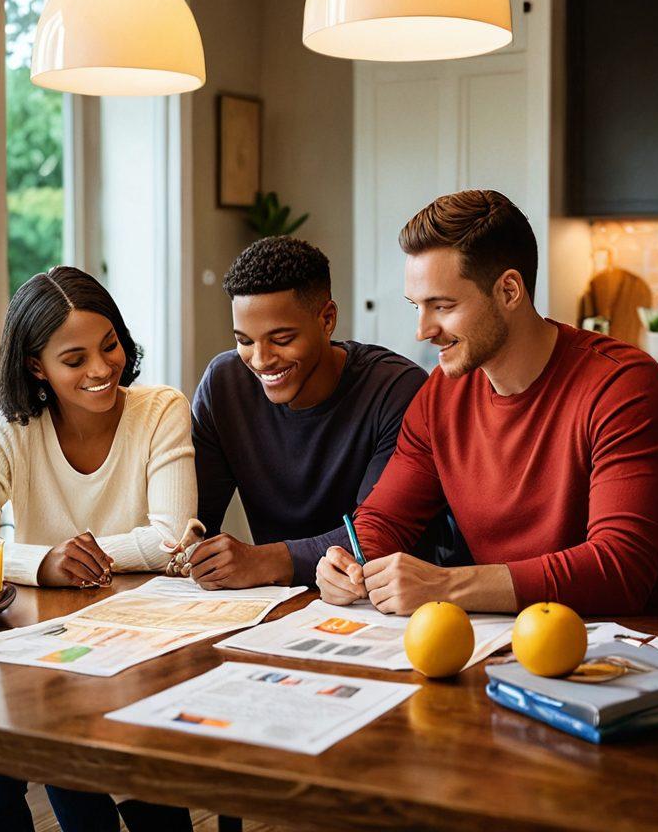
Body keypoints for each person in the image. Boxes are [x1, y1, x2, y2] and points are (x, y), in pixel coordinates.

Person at [316, 190, 658, 619]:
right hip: (504, 642)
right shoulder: (440, 393)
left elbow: (618, 572)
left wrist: (448, 584)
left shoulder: (622, 386)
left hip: (636, 652)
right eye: (417, 307)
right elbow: (383, 520)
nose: (423, 330)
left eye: (443, 306)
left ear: (509, 290)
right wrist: (348, 564)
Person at [0, 266, 196, 832]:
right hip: (44, 646)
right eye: (75, 359)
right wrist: (42, 562)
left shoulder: (160, 409)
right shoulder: (8, 426)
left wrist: (80, 555)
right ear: (36, 366)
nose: (103, 369)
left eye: (109, 346)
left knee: (125, 785)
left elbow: (174, 539)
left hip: (142, 640)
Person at [190, 236, 460, 590]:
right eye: (244, 340)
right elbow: (196, 522)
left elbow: (380, 534)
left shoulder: (396, 388)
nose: (260, 359)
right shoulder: (223, 386)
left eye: (281, 339)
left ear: (327, 319)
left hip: (385, 604)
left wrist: (266, 560)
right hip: (276, 600)